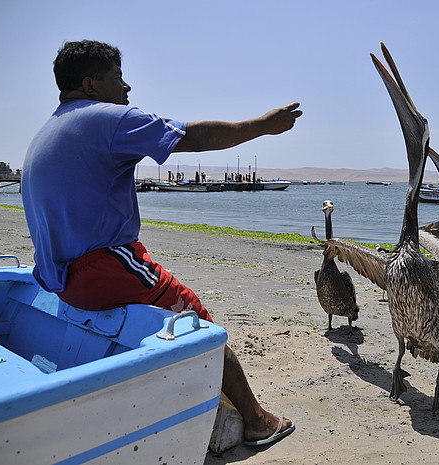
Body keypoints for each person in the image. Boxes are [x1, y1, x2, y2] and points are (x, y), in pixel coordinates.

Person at [21, 40, 301, 447]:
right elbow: (194, 136)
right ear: (91, 84)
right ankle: (257, 422)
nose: (127, 87)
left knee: (160, 312)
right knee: (197, 323)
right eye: (118, 78)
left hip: (59, 278)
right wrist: (262, 125)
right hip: (103, 267)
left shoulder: (48, 130)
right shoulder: (107, 119)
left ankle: (199, 409)